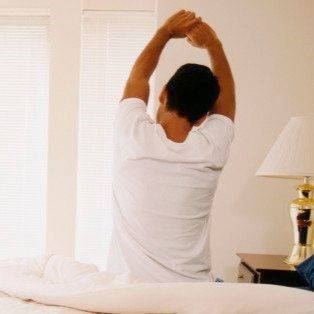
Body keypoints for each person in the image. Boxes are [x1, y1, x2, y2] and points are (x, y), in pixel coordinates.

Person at [107, 10, 235, 282]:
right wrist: (214, 45)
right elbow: (227, 105)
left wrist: (164, 32)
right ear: (203, 117)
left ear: (163, 93)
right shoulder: (210, 149)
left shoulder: (133, 135)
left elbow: (137, 80)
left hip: (128, 294)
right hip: (191, 294)